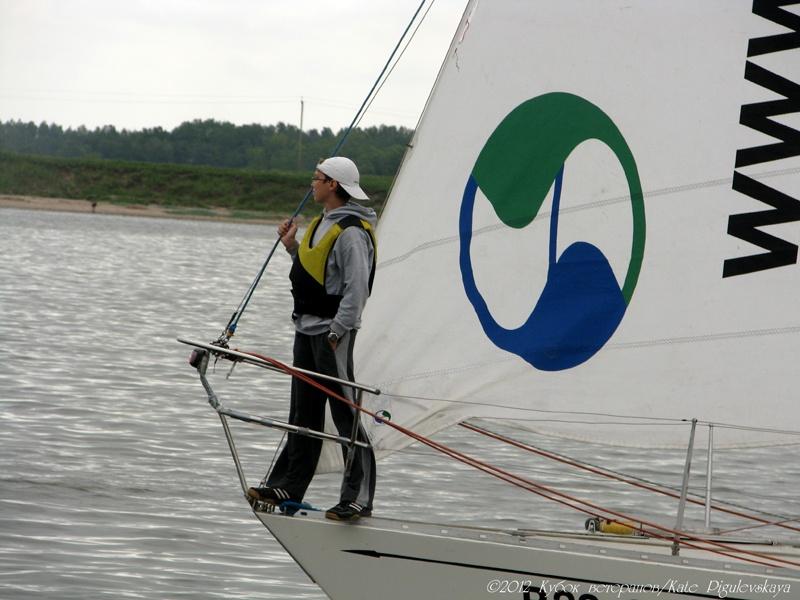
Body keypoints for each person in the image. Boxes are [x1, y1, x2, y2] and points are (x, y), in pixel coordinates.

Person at [247, 156, 377, 521]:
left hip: (332, 335)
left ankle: (358, 498)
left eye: (317, 179)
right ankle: (289, 484)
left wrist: (338, 331)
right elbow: (314, 274)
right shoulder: (322, 223)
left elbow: (356, 290)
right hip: (305, 330)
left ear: (333, 185)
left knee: (345, 414)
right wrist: (291, 246)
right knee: (303, 413)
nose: (312, 184)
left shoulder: (352, 232)